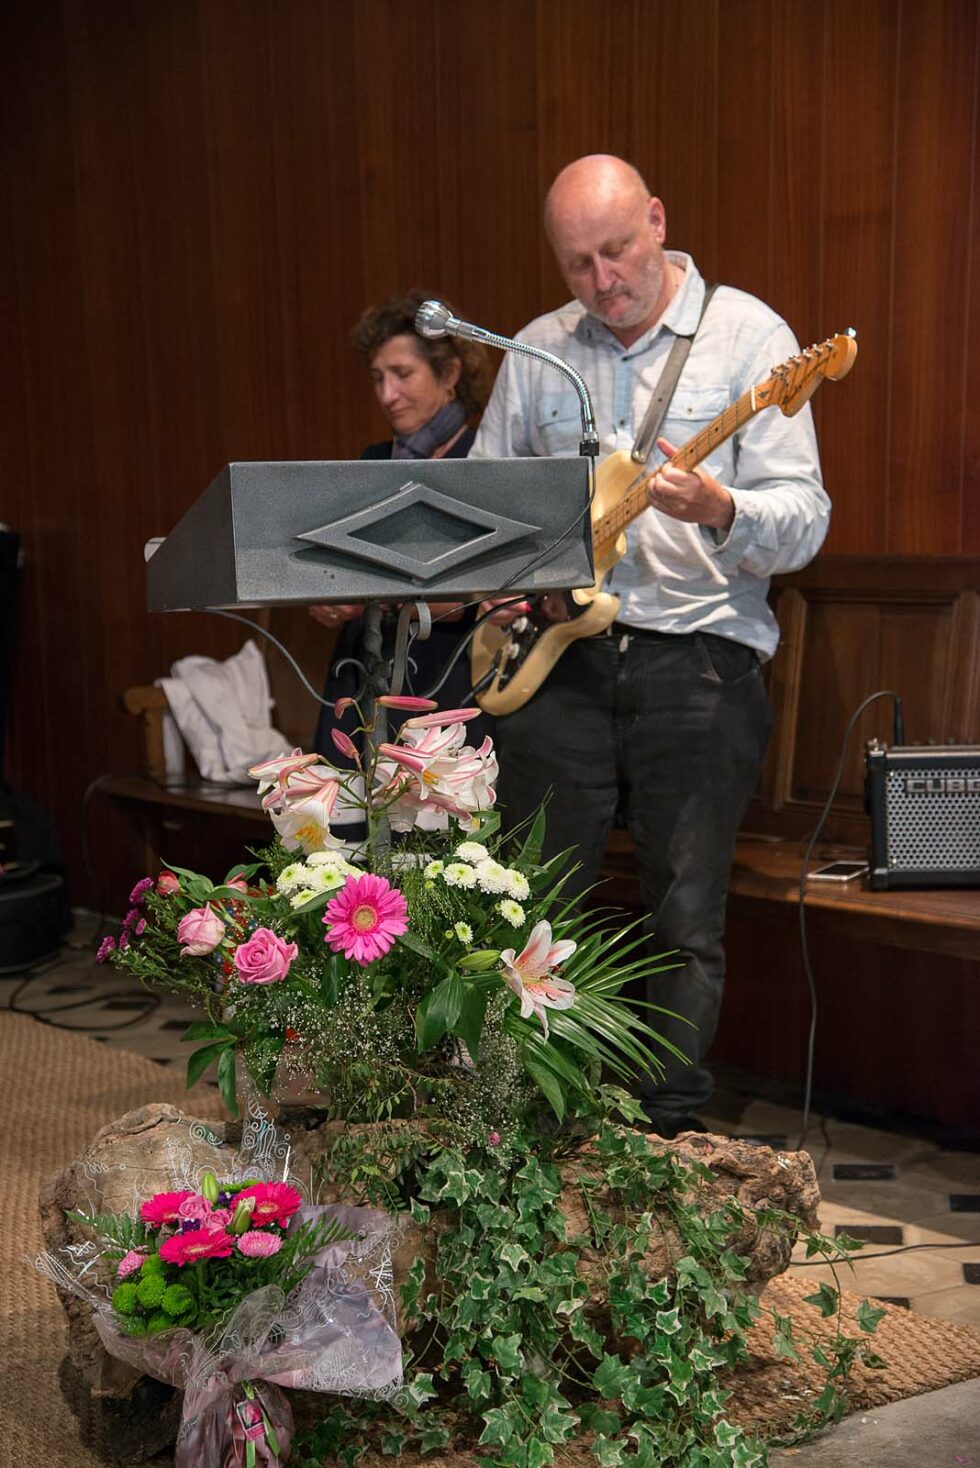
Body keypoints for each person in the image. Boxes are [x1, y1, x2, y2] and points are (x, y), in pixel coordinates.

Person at [470, 155, 829, 1137]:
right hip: (557, 660)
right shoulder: (539, 349)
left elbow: (803, 520)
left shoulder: (750, 336)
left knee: (681, 918)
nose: (601, 281)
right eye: (576, 263)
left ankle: (662, 1131)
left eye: (616, 251)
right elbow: (482, 498)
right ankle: (536, 1117)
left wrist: (718, 506)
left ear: (657, 221)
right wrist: (498, 575)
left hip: (696, 660)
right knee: (532, 905)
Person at [312, 289, 494, 761]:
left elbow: (487, 583)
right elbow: (337, 569)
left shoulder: (481, 460)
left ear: (449, 374)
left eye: (402, 374)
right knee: (347, 822)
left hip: (450, 670)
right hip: (362, 672)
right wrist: (326, 595)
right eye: (377, 378)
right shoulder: (371, 462)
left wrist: (375, 593)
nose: (386, 394)